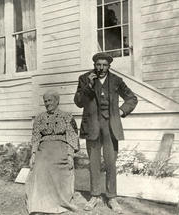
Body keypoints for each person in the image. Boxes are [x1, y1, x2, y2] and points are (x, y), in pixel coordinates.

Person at [74, 52, 138, 214]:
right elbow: (79, 102)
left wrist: (122, 112)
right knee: (93, 163)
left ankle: (111, 197)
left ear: (109, 66)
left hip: (111, 126)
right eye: (98, 65)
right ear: (94, 64)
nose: (101, 68)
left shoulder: (117, 81)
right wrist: (88, 85)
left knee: (110, 162)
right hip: (92, 126)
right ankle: (94, 196)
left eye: (104, 65)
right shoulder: (84, 78)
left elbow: (132, 98)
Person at [25, 91, 80, 214]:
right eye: (45, 101)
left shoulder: (67, 116)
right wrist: (33, 154)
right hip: (44, 149)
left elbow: (72, 136)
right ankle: (40, 204)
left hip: (61, 148)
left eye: (50, 100)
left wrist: (70, 155)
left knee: (58, 167)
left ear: (57, 101)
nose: (47, 103)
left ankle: (59, 202)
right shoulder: (39, 118)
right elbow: (35, 137)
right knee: (40, 167)